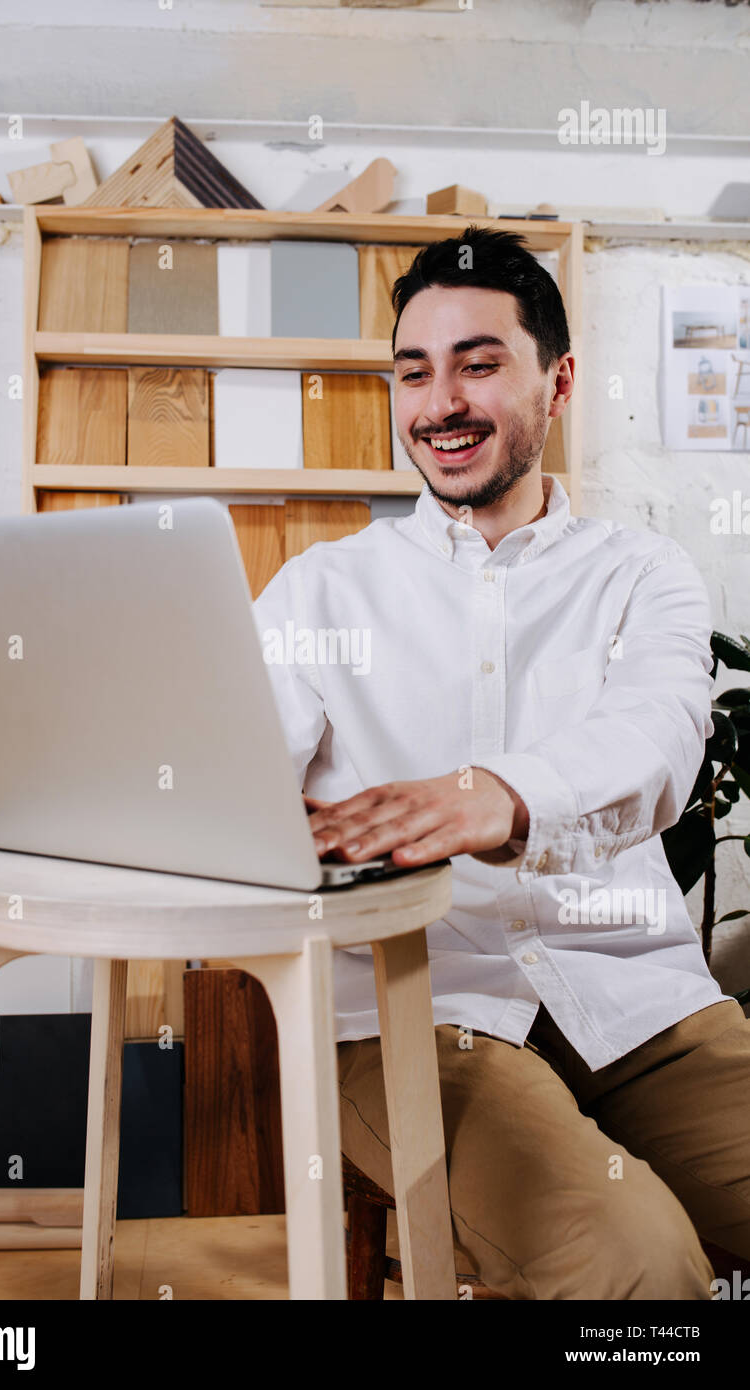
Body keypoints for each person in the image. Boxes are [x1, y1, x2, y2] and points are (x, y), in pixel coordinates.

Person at [252, 227, 750, 1300]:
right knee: (636, 1264)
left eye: (478, 363)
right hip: (412, 1012)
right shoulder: (317, 592)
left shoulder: (641, 573)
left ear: (556, 380)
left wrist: (491, 796)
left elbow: (659, 740)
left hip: (638, 1002)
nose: (439, 404)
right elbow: (230, 774)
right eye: (413, 372)